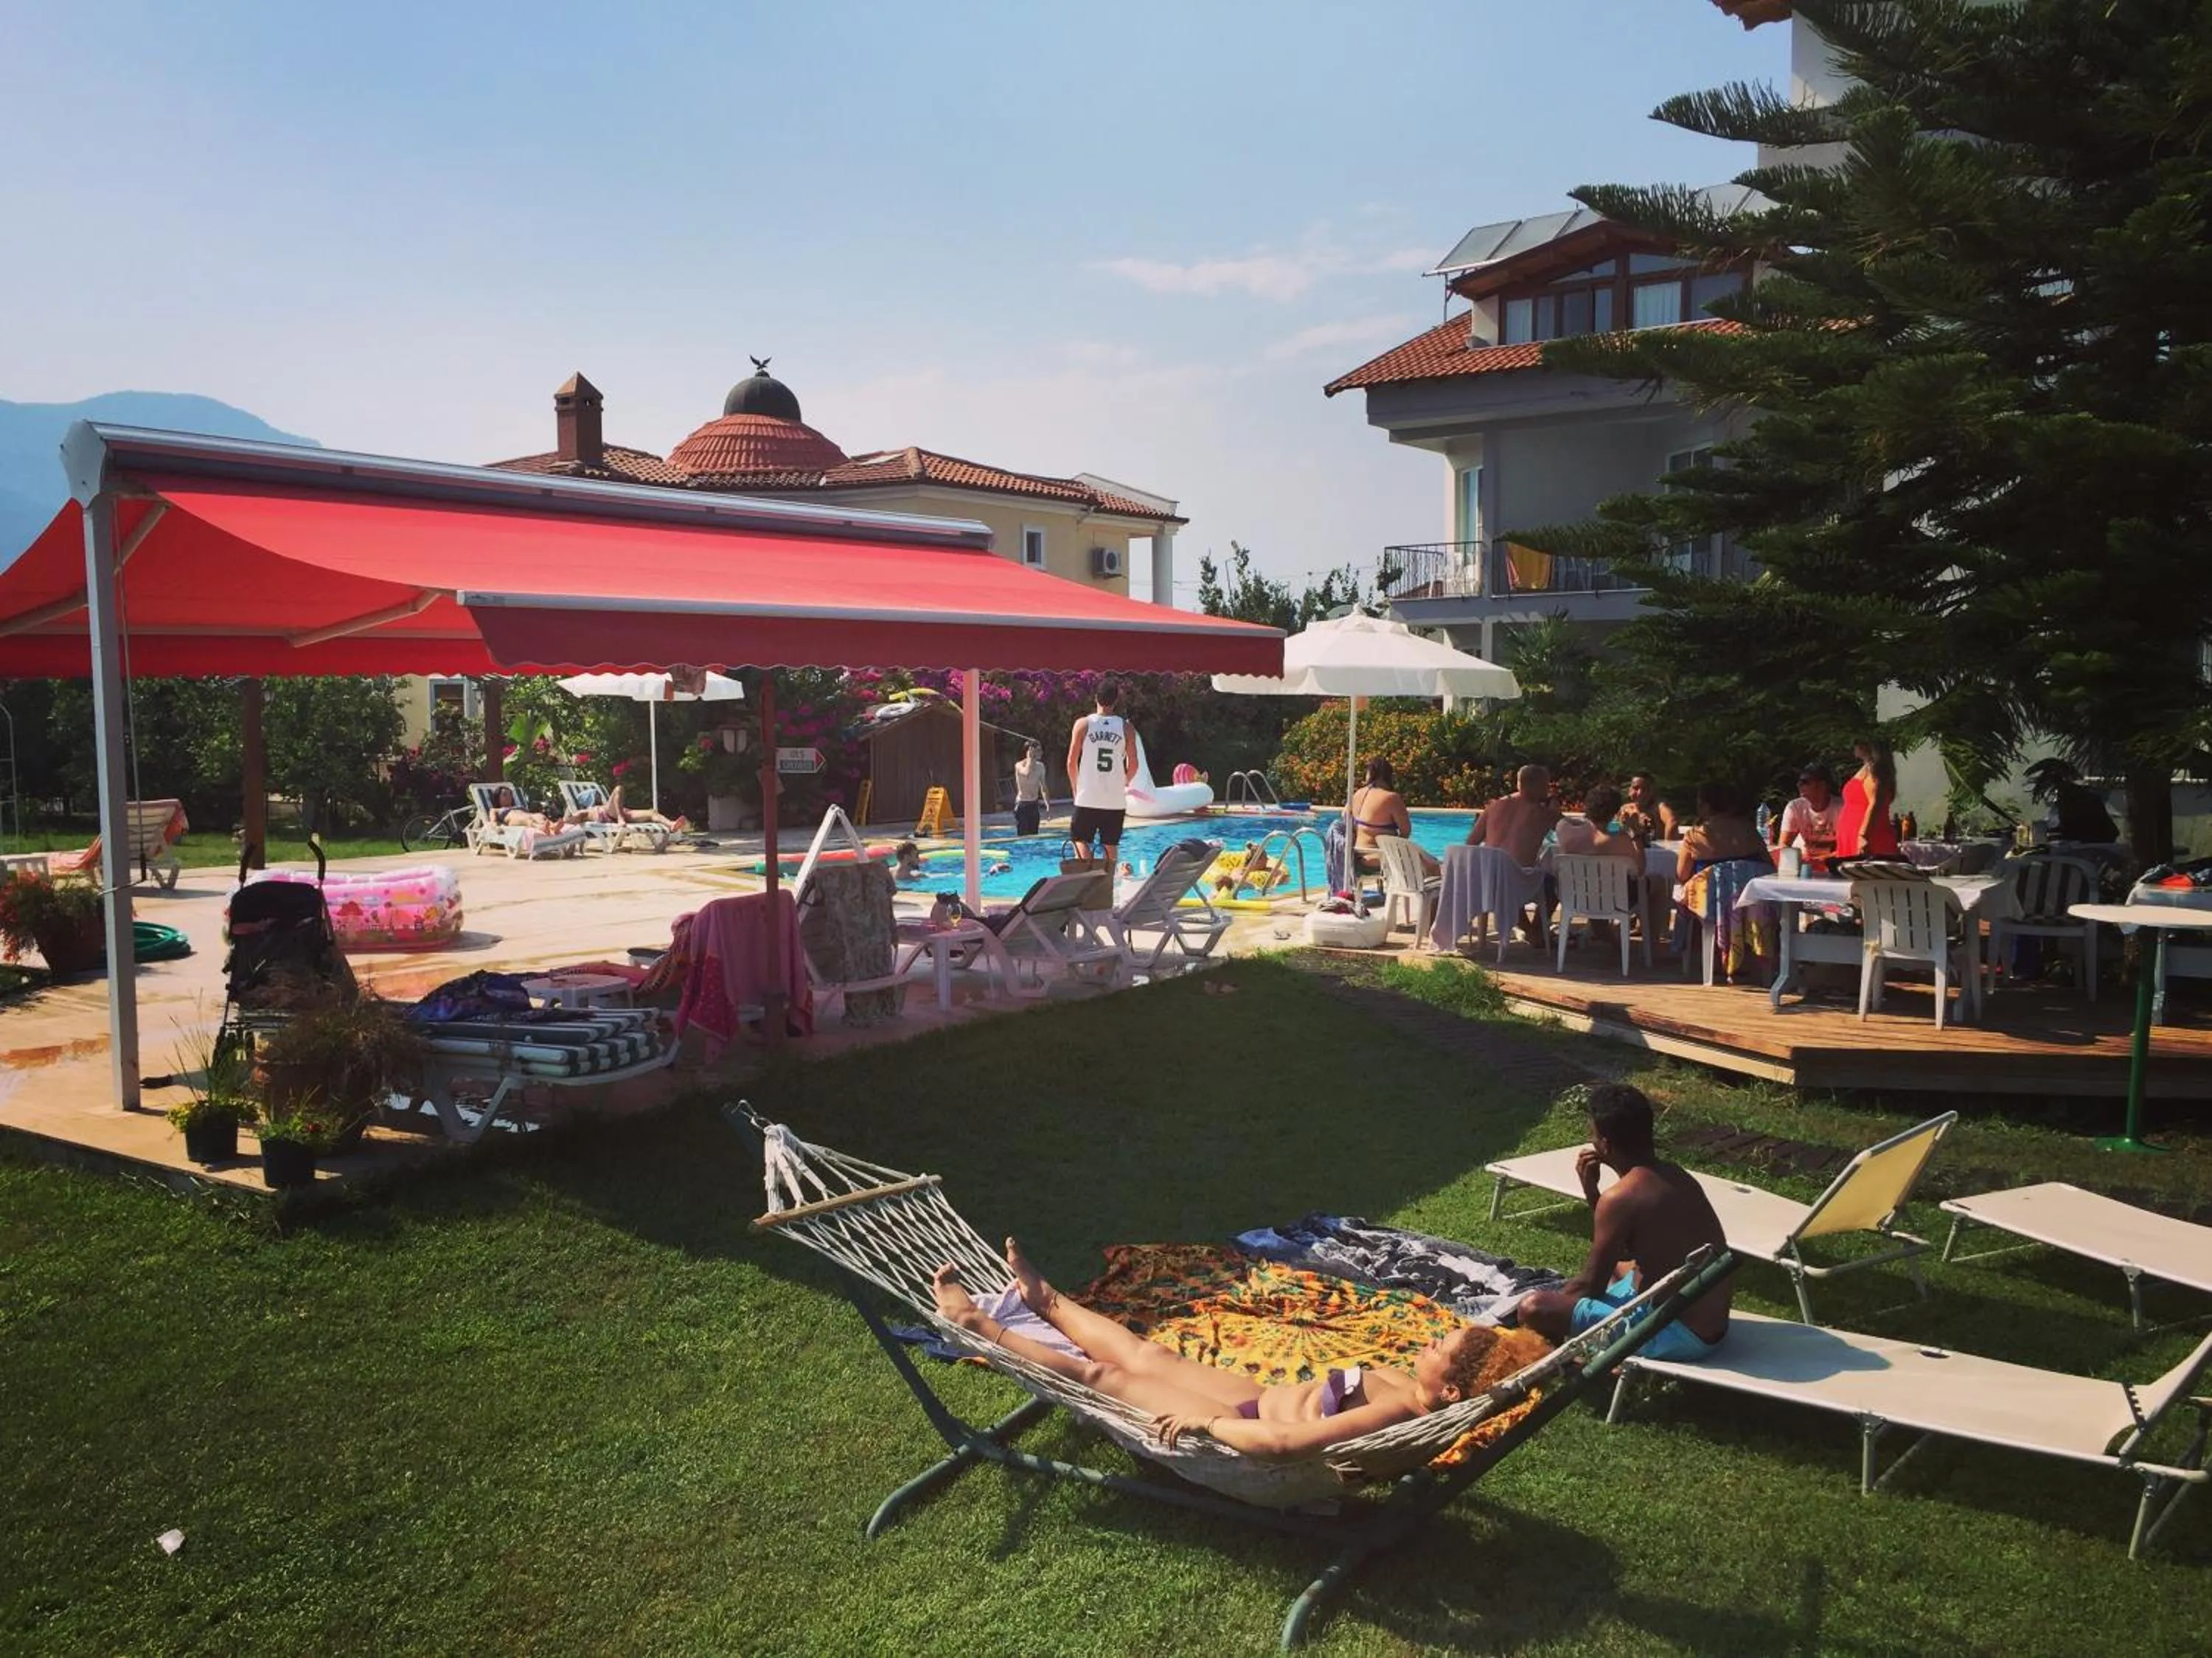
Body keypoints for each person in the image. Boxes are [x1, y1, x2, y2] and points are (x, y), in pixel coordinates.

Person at [932, 1238, 1500, 1457]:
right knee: (1150, 1356)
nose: (1427, 1343)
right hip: (1256, 1397)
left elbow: (1280, 1445)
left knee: (1103, 1378)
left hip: (1239, 1433)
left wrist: (1206, 1428)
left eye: (1439, 1349)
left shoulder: (1401, 1410)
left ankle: (981, 1327)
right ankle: (1046, 1301)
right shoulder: (1424, 1399)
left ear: (1450, 1387)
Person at [1515, 1083, 1732, 1359]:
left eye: (1593, 1135)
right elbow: (1629, 1248)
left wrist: (1551, 1310)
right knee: (1623, 1267)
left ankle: (1560, 1361)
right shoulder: (1676, 1175)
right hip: (1710, 1323)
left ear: (1605, 1144)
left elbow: (1590, 1286)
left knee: (1534, 1307)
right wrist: (1592, 1191)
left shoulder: (1621, 1197)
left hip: (1673, 1332)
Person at [1065, 680, 1137, 870]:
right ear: (1116, 701)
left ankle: (1086, 877)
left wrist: (1075, 788)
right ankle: (1107, 884)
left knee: (1079, 839)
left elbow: (1071, 762)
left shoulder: (1083, 724)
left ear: (1096, 697)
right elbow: (1134, 764)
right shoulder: (1127, 728)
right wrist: (1124, 782)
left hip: (1088, 795)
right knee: (1111, 845)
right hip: (1114, 799)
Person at [1348, 758, 1439, 878]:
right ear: (1388, 775)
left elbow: (1346, 817)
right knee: (1434, 865)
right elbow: (1406, 832)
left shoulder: (1358, 794)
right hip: (1380, 856)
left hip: (1358, 855)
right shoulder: (1391, 798)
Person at [1674, 781, 1772, 884]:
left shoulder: (1694, 837)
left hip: (1708, 898)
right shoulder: (1750, 831)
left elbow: (1682, 876)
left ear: (1706, 806)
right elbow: (1769, 868)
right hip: (1748, 896)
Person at [1468, 764, 1561, 867]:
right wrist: (1555, 812)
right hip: (1519, 878)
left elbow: (1471, 844)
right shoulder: (1543, 813)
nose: (1549, 790)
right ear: (1539, 786)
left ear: (1519, 784)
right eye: (1547, 785)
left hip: (1488, 875)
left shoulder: (1493, 807)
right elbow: (1572, 831)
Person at [1834, 739, 1900, 859]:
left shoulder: (1877, 771)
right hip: (1853, 833)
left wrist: (1863, 836)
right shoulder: (1867, 768)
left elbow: (1875, 804)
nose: (1854, 746)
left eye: (1857, 742)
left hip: (1868, 835)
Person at [1773, 765, 1839, 869]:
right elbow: (1784, 845)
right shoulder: (1794, 807)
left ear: (1822, 785)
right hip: (1804, 864)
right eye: (1799, 781)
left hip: (1833, 865)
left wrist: (1820, 860)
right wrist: (1800, 860)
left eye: (1805, 782)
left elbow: (1849, 848)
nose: (1798, 785)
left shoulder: (1842, 808)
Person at [582, 784, 689, 834]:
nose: (598, 797)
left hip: (624, 813)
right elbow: (577, 817)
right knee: (619, 788)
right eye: (595, 796)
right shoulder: (589, 810)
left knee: (652, 813)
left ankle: (671, 825)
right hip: (609, 814)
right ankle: (620, 818)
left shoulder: (606, 803)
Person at [1620, 774, 1679, 844]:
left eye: (1645, 789)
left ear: (1652, 792)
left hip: (1656, 851)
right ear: (1629, 790)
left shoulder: (1658, 807)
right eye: (1636, 788)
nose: (1640, 793)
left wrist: (1668, 846)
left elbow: (1672, 821)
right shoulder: (1625, 809)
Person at [1012, 740, 1051, 837]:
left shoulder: (1041, 766)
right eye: (1038, 750)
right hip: (1022, 805)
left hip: (1034, 805)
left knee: (1034, 836)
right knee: (1023, 837)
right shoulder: (1019, 765)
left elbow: (1044, 787)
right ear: (1030, 752)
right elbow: (1027, 774)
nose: (1041, 753)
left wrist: (1048, 805)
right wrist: (1030, 758)